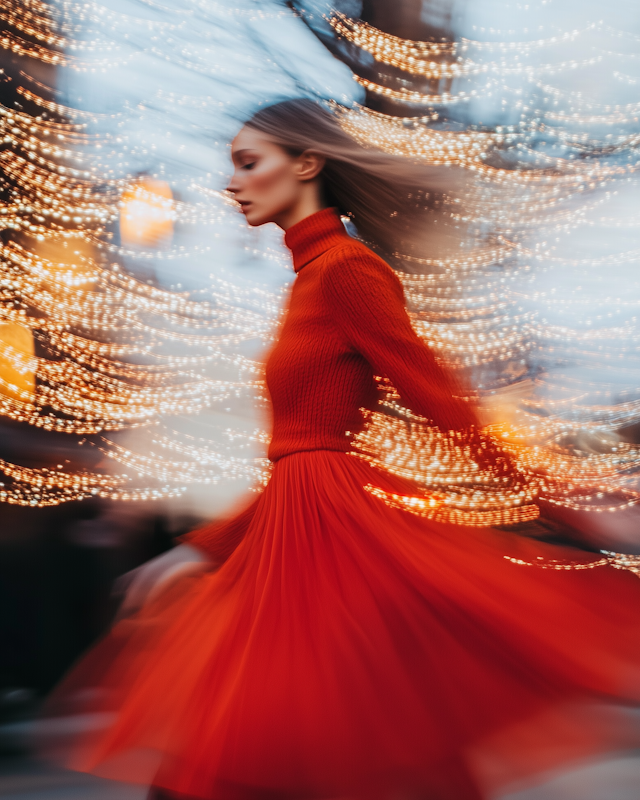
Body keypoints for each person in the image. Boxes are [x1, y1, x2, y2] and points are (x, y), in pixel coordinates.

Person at [46, 100, 640, 800]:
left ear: (306, 164)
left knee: (283, 750)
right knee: (261, 751)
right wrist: (200, 548)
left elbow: (441, 402)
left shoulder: (347, 272)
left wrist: (557, 498)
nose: (232, 183)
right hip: (294, 539)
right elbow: (298, 454)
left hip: (332, 548)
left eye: (248, 162)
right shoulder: (307, 283)